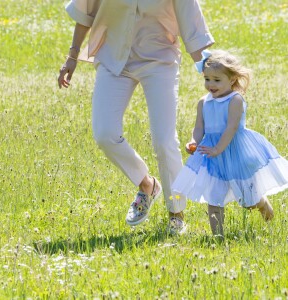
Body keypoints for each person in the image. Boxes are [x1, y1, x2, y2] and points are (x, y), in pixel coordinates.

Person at [58, 0, 214, 233]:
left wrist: (214, 75)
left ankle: (176, 212)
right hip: (113, 58)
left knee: (164, 141)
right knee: (104, 134)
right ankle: (147, 185)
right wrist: (72, 56)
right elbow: (85, 11)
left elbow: (193, 27)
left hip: (159, 60)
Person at [172, 49, 288, 236]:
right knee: (214, 197)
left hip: (235, 152)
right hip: (212, 155)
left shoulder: (235, 100)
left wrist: (219, 148)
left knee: (250, 200)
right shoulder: (203, 102)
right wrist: (194, 140)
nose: (211, 84)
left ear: (232, 79)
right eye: (207, 79)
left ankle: (269, 218)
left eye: (217, 80)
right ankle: (218, 236)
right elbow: (199, 127)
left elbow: (231, 128)